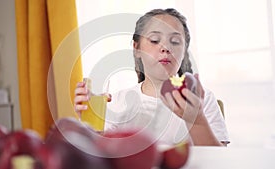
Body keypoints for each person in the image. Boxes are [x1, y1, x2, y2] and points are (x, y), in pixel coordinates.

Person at [74, 8, 229, 146]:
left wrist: (196, 119)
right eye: (155, 40)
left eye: (175, 41)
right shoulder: (118, 102)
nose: (166, 48)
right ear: (137, 49)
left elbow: (219, 161)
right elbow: (100, 154)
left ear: (184, 52)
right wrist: (90, 120)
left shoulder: (202, 99)